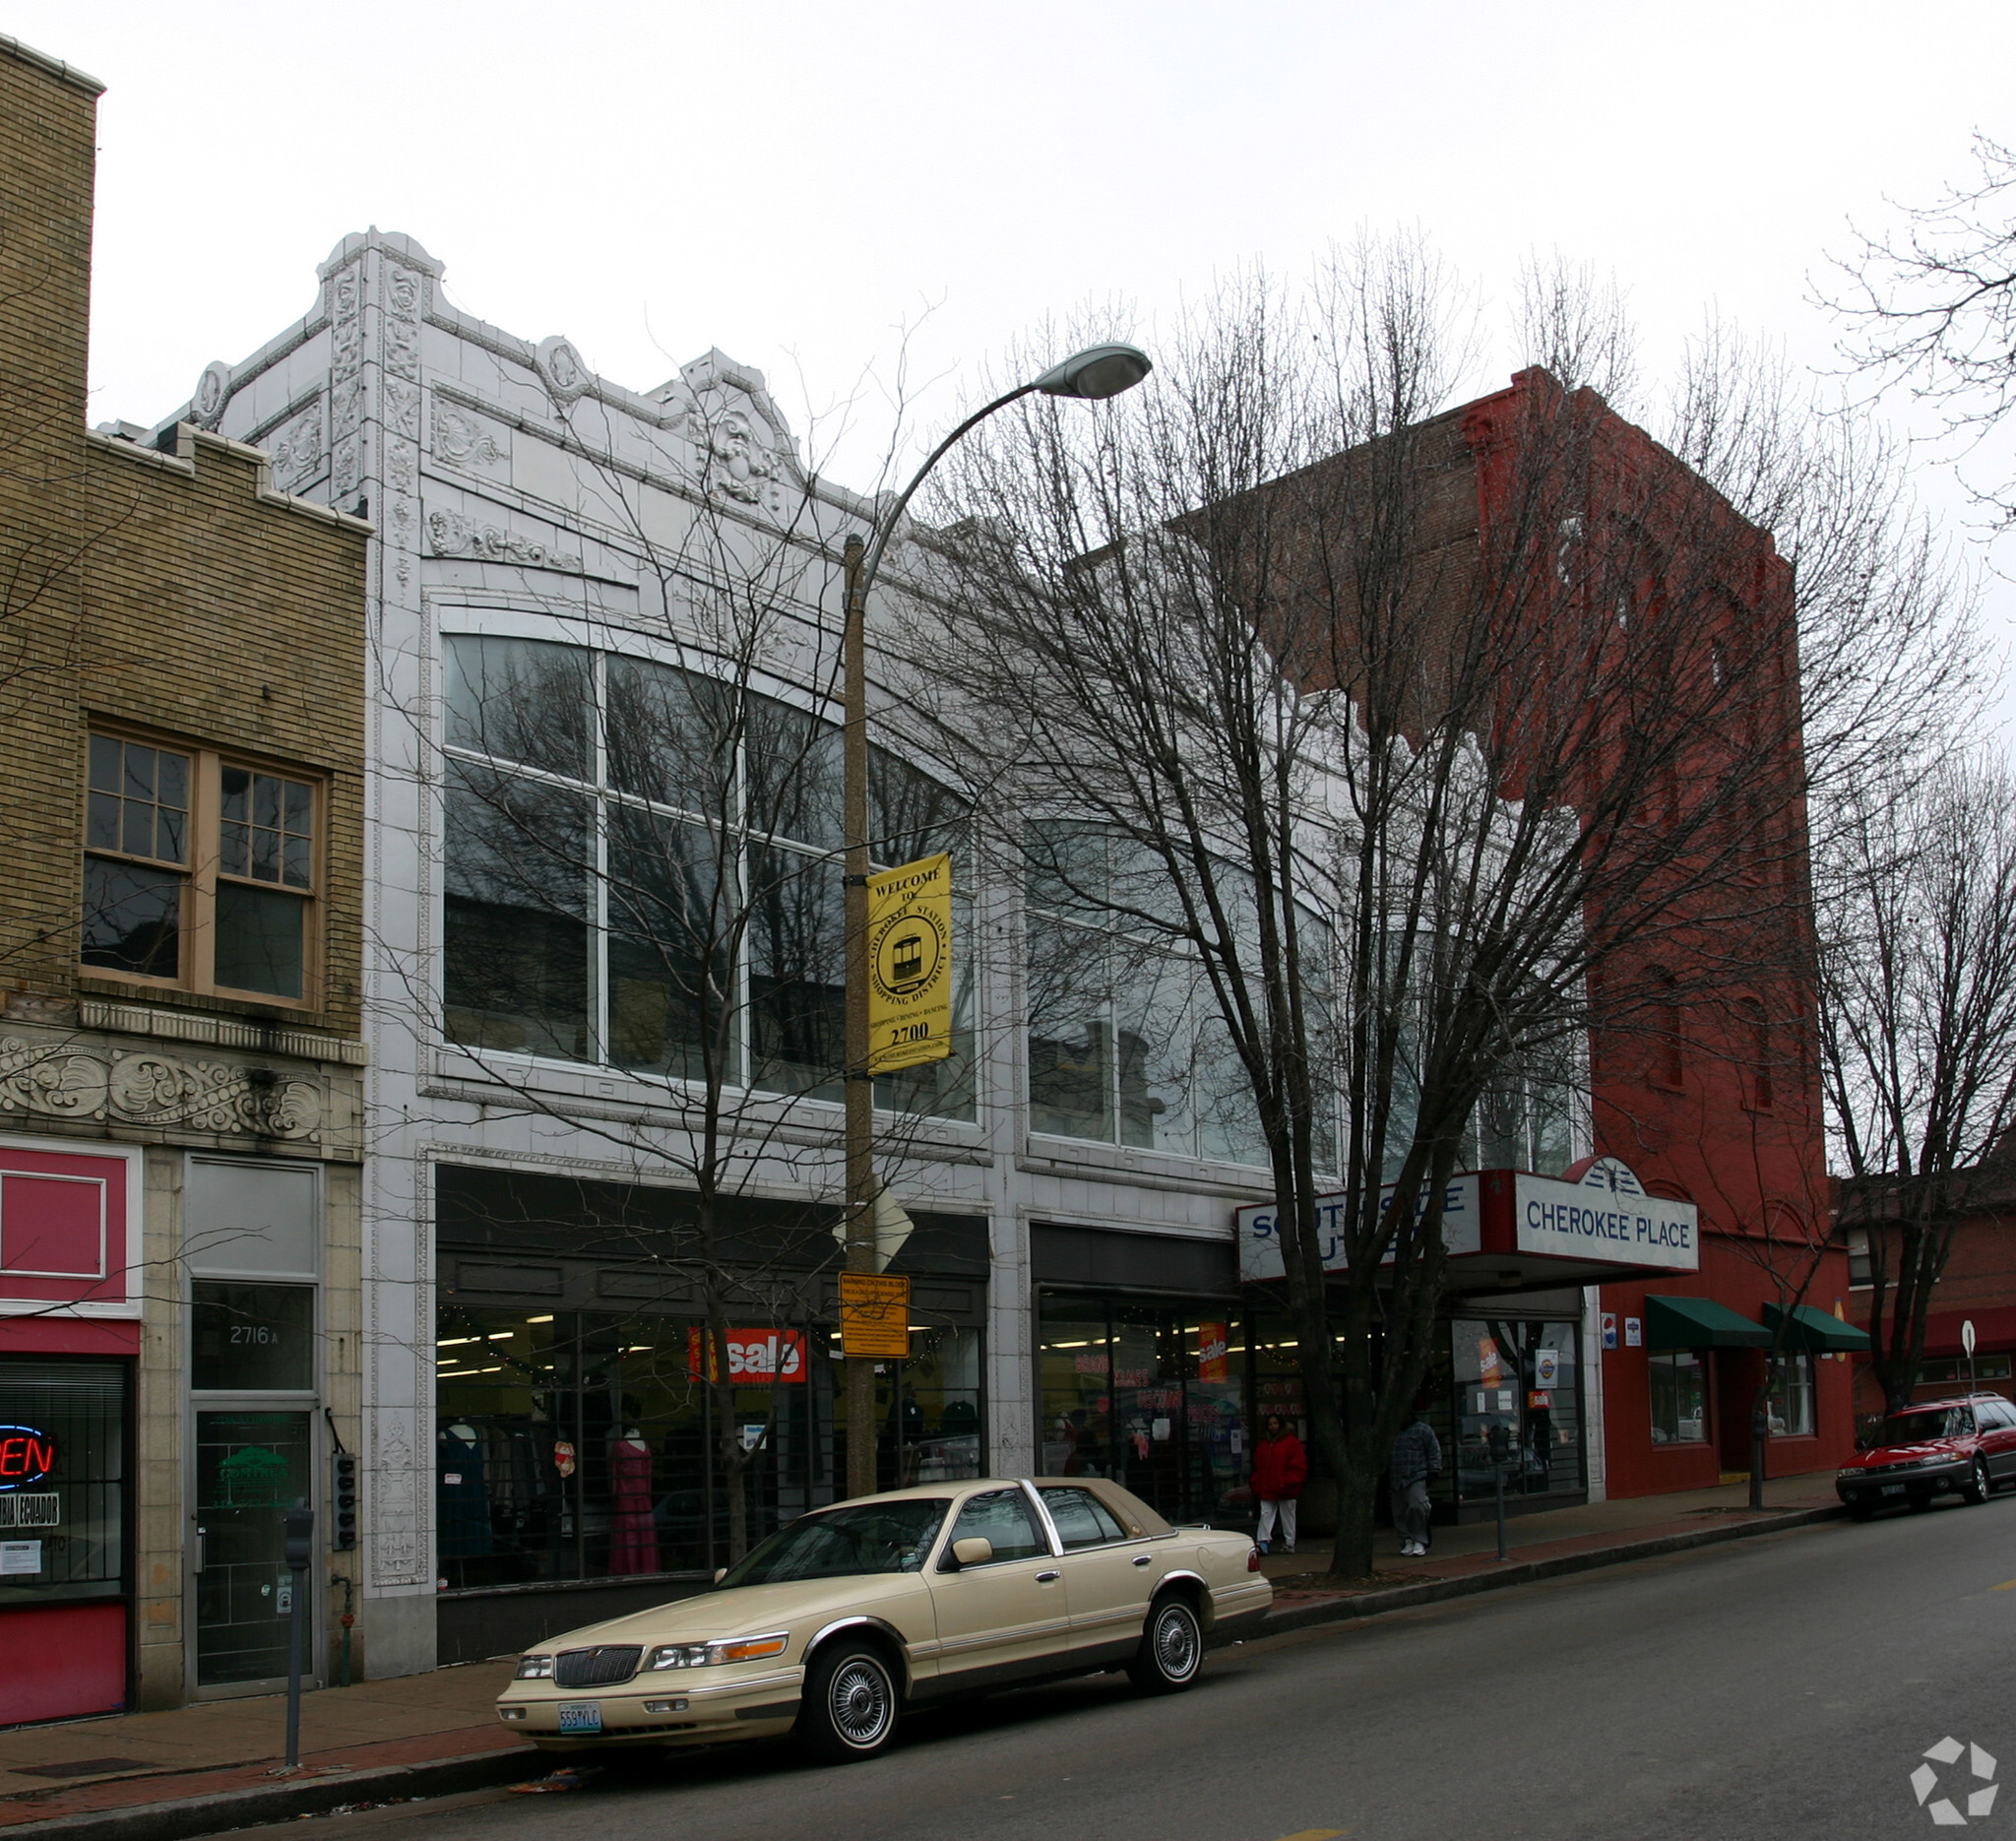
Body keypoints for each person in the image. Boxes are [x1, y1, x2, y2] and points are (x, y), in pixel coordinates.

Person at [1389, 1403, 1442, 1557]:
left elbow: (1434, 1450)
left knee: (1416, 1506)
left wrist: (1433, 1470)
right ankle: (1406, 1540)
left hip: (1416, 1474)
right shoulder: (1392, 1432)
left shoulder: (1423, 1430)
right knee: (1399, 1511)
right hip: (1396, 1476)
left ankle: (1419, 1539)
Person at [1250, 1413, 1306, 1555]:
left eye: (1275, 1423)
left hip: (1283, 1486)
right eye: (1270, 1424)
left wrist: (1287, 1481)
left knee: (1285, 1516)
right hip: (1271, 1486)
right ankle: (1263, 1542)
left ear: (1280, 1424)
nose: (1273, 1426)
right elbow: (1258, 1465)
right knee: (1267, 1514)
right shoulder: (1266, 1444)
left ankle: (1288, 1543)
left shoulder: (1290, 1443)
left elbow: (1298, 1466)